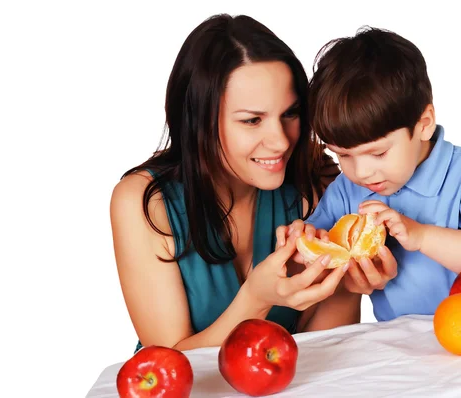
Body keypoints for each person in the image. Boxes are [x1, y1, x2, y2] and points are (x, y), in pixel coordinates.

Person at [109, 14, 364, 353]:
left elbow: (323, 354)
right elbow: (169, 362)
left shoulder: (317, 179)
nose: (280, 142)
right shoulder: (144, 202)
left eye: (290, 113)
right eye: (252, 120)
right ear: (198, 122)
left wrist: (348, 281)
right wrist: (255, 300)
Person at [296, 26, 461, 322]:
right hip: (400, 344)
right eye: (343, 155)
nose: (362, 172)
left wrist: (420, 236)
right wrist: (301, 240)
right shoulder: (345, 189)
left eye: (378, 153)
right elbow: (319, 242)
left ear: (424, 124)